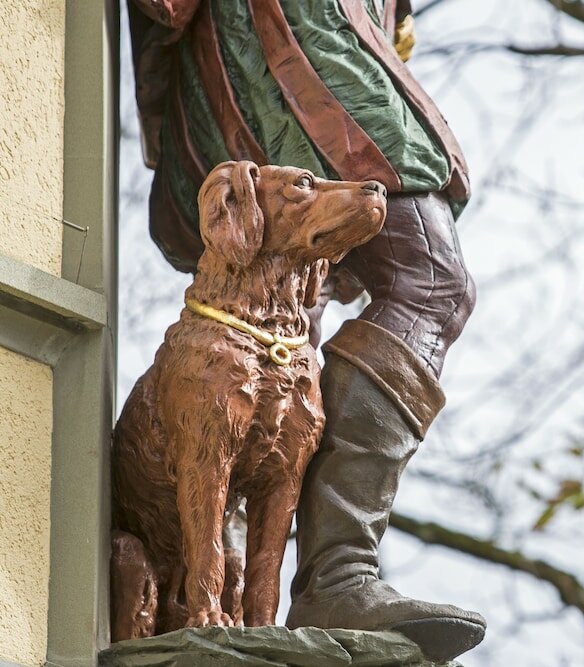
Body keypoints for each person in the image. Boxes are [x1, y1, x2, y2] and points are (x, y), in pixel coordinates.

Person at [128, 0, 482, 660]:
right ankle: (335, 573)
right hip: (284, 51)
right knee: (429, 283)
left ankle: (226, 597)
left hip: (293, 52)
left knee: (289, 319)